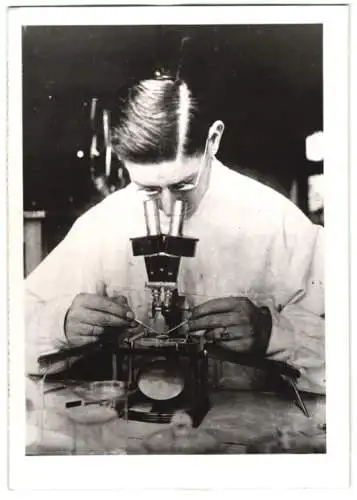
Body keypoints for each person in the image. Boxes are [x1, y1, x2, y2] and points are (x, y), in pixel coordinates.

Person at [25, 73, 325, 394]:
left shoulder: (277, 223)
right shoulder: (102, 224)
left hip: (248, 436)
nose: (168, 206)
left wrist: (271, 333)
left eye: (183, 184)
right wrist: (61, 324)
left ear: (213, 140)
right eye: (148, 189)